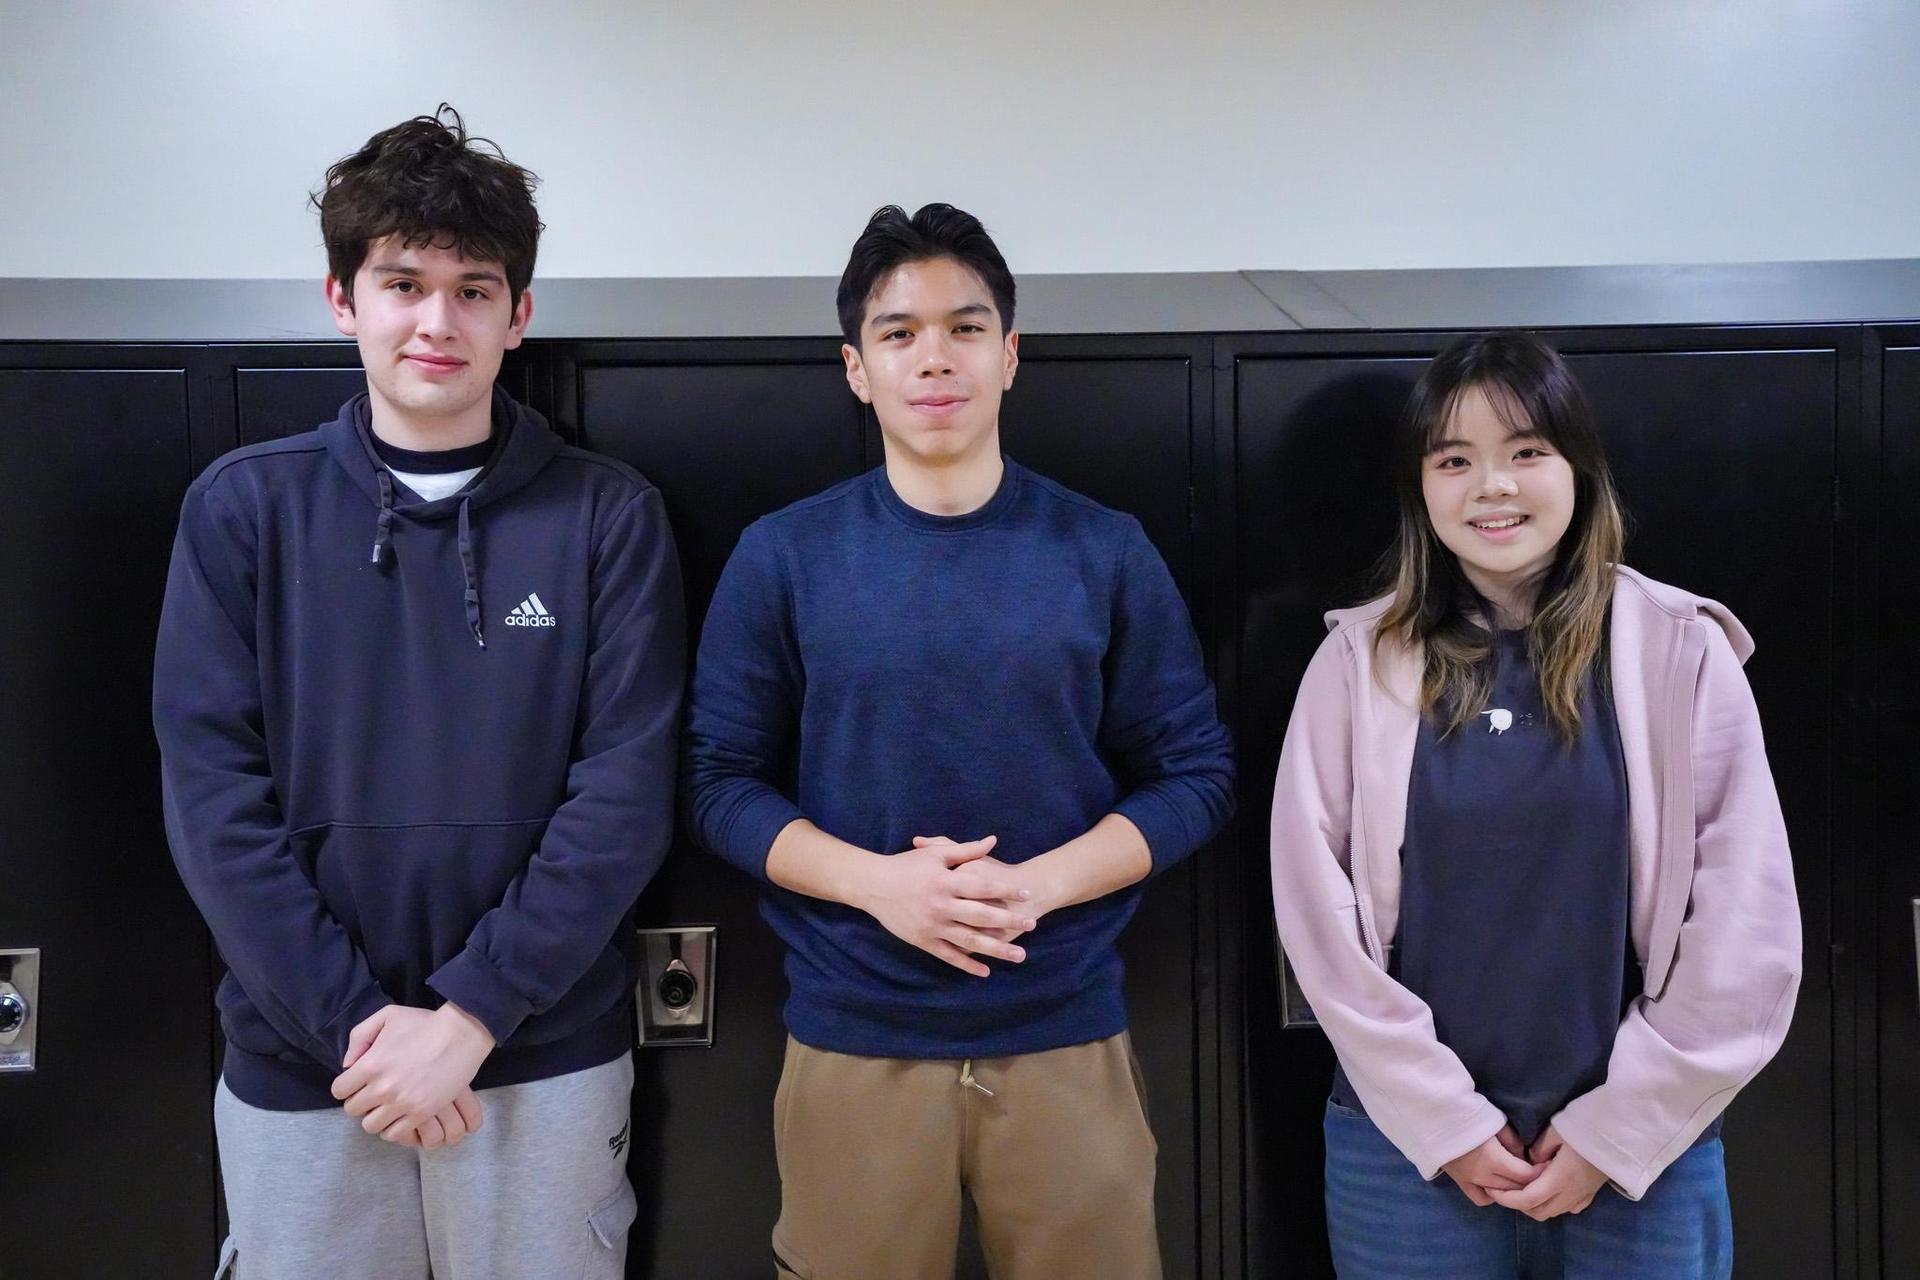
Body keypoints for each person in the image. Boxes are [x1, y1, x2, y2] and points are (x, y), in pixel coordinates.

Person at [153, 106, 684, 1277]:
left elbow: (627, 792)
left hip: (543, 1057)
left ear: (518, 314)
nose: (437, 320)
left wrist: (474, 1015)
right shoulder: (246, 510)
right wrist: (361, 1030)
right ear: (344, 298)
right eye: (402, 282)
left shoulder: (608, 516)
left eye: (474, 289)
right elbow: (211, 801)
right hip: (307, 1067)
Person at [685, 202, 1234, 1279]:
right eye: (898, 333)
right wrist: (882, 886)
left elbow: (1197, 774)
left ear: (1010, 354)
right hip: (854, 1034)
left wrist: (1037, 887)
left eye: (965, 327)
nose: (933, 356)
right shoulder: (785, 556)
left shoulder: (1103, 549)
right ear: (857, 367)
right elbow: (716, 782)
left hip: (1066, 1027)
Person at [1268, 330, 1801, 1279]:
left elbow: (1746, 924)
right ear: (1422, 488)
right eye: (1455, 460)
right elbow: (1318, 920)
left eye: (1525, 452)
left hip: (1642, 1157)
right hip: (1407, 1159)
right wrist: (1446, 1122)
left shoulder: (1682, 652)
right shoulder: (1355, 665)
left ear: (1577, 469)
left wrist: (1616, 1130)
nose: (1492, 487)